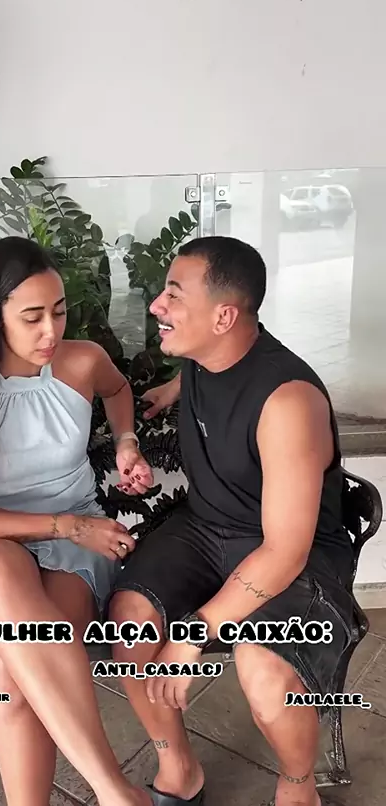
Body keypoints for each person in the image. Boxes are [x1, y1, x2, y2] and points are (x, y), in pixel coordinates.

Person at [108, 236, 356, 806]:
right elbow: (204, 377)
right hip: (206, 527)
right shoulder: (204, 354)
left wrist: (194, 633)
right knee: (129, 626)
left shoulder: (288, 403)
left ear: (223, 317)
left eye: (174, 294)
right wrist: (169, 391)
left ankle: (298, 786)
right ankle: (179, 768)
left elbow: (284, 551)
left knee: (262, 667)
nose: (157, 305)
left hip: (292, 554)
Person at [0, 235, 155, 806]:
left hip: (76, 542)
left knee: (10, 667)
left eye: (59, 311)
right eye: (32, 317)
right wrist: (66, 526)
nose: (51, 331)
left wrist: (127, 442)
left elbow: (119, 390)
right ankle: (114, 791)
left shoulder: (82, 361)